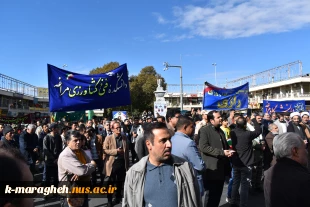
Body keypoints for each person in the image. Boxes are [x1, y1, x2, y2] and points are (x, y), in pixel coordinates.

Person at [122, 122, 201, 207]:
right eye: (163, 141)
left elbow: (196, 200)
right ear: (149, 144)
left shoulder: (185, 167)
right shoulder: (134, 173)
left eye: (169, 139)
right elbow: (128, 203)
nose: (169, 145)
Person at [264, 132, 310, 207]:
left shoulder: (269, 173)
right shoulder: (303, 178)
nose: (306, 152)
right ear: (295, 151)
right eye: (304, 148)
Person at [198, 110, 233, 207]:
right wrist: (221, 152)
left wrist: (228, 152)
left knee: (217, 195)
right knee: (211, 196)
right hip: (212, 169)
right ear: (212, 120)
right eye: (218, 117)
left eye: (220, 117)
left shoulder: (220, 130)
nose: (221, 118)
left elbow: (224, 145)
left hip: (221, 168)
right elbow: (203, 147)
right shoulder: (205, 130)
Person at [58, 131, 97, 207]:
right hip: (70, 192)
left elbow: (89, 163)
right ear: (68, 142)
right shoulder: (66, 155)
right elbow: (82, 170)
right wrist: (92, 165)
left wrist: (85, 167)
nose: (78, 142)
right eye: (75, 140)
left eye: (79, 140)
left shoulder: (81, 151)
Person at [230, 116, 262, 207]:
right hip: (246, 163)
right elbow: (259, 131)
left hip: (236, 162)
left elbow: (236, 126)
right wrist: (255, 121)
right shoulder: (247, 134)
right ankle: (243, 204)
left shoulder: (233, 132)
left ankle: (232, 201)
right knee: (244, 185)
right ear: (245, 125)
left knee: (236, 182)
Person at [171, 116, 205, 196]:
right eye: (192, 126)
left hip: (176, 180)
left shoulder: (171, 139)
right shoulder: (189, 143)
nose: (193, 129)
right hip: (190, 183)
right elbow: (199, 166)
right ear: (185, 127)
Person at [103, 122, 129, 207]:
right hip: (112, 163)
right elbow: (105, 150)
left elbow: (127, 152)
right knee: (111, 182)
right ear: (113, 129)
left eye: (119, 128)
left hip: (122, 163)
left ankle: (118, 197)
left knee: (120, 182)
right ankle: (109, 200)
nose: (118, 129)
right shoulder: (109, 138)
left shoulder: (124, 138)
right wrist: (116, 151)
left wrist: (127, 165)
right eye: (116, 128)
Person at [43, 123, 62, 193]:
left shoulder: (58, 137)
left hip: (57, 161)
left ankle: (55, 192)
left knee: (56, 178)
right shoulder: (46, 137)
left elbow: (60, 148)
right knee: (47, 178)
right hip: (49, 161)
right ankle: (46, 193)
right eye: (57, 128)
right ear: (53, 129)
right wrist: (53, 159)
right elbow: (45, 150)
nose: (58, 129)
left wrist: (57, 158)